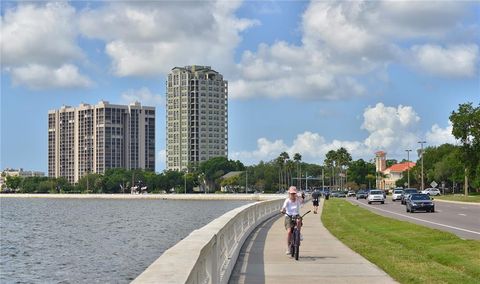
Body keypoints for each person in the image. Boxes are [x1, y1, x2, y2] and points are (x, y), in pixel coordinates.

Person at [280, 186, 303, 255]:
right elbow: (283, 208)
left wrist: (298, 196)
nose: (293, 195)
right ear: (289, 193)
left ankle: (298, 233)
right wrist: (282, 210)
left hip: (296, 215)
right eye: (291, 193)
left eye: (294, 193)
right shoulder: (287, 200)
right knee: (289, 232)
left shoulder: (297, 199)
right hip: (288, 216)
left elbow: (302, 200)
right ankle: (288, 248)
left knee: (299, 221)